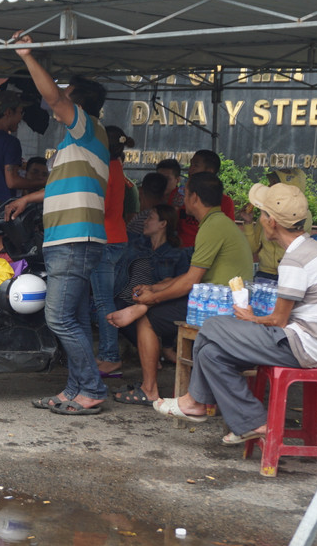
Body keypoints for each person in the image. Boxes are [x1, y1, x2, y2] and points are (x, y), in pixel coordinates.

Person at [155, 181, 317, 447]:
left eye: (262, 215)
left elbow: (278, 320)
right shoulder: (312, 249)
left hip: (300, 345)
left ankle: (195, 401)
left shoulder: (295, 259)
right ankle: (252, 421)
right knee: (212, 354)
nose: (258, 220)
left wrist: (250, 318)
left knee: (211, 326)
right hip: (306, 340)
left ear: (272, 222)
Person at [6, 32, 109, 415]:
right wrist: (27, 199)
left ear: (78, 103)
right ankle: (75, 388)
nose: (60, 96)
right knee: (75, 317)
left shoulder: (86, 128)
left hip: (74, 239)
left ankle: (93, 389)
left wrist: (29, 57)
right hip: (67, 238)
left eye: (69, 93)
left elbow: (54, 98)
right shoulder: (75, 143)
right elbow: (59, 189)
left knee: (59, 317)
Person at [106, 172, 252, 405]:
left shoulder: (213, 227)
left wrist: (150, 300)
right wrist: (154, 288)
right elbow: (191, 276)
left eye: (185, 194)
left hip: (220, 306)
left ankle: (149, 389)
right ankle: (140, 309)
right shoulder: (218, 223)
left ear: (194, 197)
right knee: (156, 296)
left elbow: (189, 282)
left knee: (150, 318)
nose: (182, 199)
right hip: (214, 298)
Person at [104, 204, 190, 405]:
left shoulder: (177, 254)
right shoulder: (136, 244)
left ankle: (156, 364)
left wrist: (152, 291)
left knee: (148, 314)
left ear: (163, 224)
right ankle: (154, 355)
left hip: (157, 301)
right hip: (131, 298)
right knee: (114, 308)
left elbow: (178, 286)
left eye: (150, 217)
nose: (145, 221)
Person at [91, 126, 132, 379]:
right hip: (117, 237)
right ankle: (107, 354)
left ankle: (110, 356)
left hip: (104, 239)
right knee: (104, 299)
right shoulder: (116, 165)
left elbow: (101, 206)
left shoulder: (105, 167)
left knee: (103, 300)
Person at [0, 90, 45, 204]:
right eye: (20, 112)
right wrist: (44, 183)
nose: (21, 118)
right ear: (8, 112)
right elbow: (12, 181)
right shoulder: (11, 142)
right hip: (1, 212)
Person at [240, 167, 311, 281]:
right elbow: (252, 249)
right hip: (264, 274)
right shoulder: (266, 214)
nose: (269, 188)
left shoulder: (302, 216)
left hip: (289, 274)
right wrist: (248, 222)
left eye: (274, 185)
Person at [177, 150, 235, 247]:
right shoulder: (178, 195)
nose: (190, 170)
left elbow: (226, 234)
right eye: (190, 165)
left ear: (209, 171)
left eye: (196, 165)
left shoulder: (225, 202)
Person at [127, 172, 167, 237]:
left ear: (140, 191)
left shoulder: (143, 218)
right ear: (164, 195)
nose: (146, 222)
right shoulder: (167, 215)